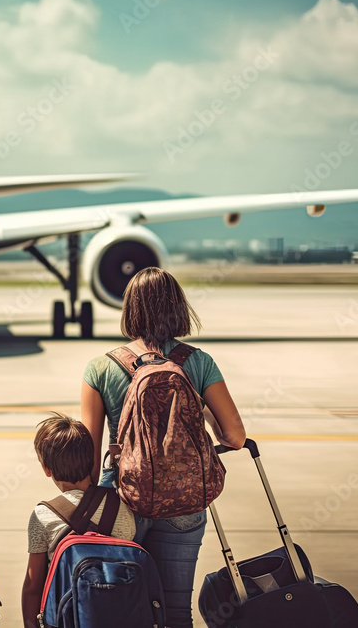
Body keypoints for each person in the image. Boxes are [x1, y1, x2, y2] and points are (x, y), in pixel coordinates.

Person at [80, 266, 246, 628]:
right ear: (178, 307)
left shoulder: (100, 368)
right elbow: (234, 436)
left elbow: (89, 460)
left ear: (129, 310)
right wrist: (198, 409)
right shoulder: (198, 362)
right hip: (184, 500)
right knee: (175, 612)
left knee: (116, 606)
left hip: (123, 497)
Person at [21, 413, 136, 628]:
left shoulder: (44, 516)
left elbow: (33, 586)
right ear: (92, 460)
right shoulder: (121, 508)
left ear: (48, 469)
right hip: (119, 617)